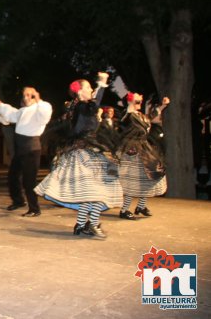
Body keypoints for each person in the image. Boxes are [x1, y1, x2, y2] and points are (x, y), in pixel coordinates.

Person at [34, 73, 123, 238]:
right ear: (80, 91)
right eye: (88, 87)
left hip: (91, 152)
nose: (91, 90)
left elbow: (93, 106)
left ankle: (81, 225)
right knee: (98, 191)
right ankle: (92, 224)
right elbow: (94, 104)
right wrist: (102, 84)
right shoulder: (83, 107)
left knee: (91, 192)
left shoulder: (81, 108)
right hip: (84, 154)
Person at [0, 87, 52, 217]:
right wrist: (0, 105)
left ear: (35, 96)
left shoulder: (39, 109)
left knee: (29, 181)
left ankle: (35, 209)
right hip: (20, 150)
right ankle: (18, 201)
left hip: (31, 149)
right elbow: (9, 114)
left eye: (29, 95)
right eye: (24, 95)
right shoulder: (22, 111)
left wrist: (38, 99)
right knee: (12, 176)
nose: (26, 97)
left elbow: (46, 114)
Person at [117, 92, 168, 220]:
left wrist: (162, 106)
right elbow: (124, 120)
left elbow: (151, 117)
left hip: (143, 149)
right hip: (131, 152)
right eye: (137, 101)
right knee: (133, 182)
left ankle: (140, 206)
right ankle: (124, 210)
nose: (140, 103)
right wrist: (130, 104)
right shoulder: (127, 115)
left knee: (148, 177)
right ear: (130, 102)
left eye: (140, 101)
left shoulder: (140, 115)